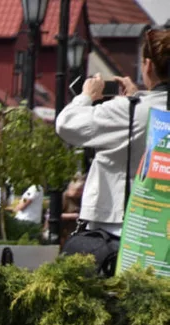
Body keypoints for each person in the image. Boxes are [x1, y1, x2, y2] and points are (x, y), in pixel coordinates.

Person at [56, 28, 170, 238]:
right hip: (163, 223)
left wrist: (87, 96)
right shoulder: (138, 108)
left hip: (119, 224)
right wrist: (137, 98)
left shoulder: (128, 110)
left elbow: (66, 124)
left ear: (148, 65)